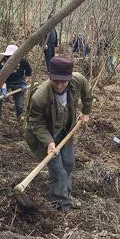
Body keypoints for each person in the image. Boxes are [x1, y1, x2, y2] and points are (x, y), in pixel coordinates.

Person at [25, 56, 92, 212]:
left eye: (64, 81)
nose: (60, 85)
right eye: (56, 81)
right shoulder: (39, 97)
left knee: (68, 163)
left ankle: (65, 193)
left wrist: (86, 112)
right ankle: (59, 202)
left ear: (69, 77)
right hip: (43, 135)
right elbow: (36, 123)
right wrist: (49, 142)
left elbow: (87, 94)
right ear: (50, 76)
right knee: (58, 169)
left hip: (65, 129)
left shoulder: (77, 80)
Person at [0, 44, 32, 121]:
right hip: (6, 82)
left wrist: (24, 83)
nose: (8, 58)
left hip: (19, 83)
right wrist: (4, 89)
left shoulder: (23, 61)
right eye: (7, 56)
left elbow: (29, 73)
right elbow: (1, 79)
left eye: (10, 56)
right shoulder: (2, 64)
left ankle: (20, 118)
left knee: (19, 104)